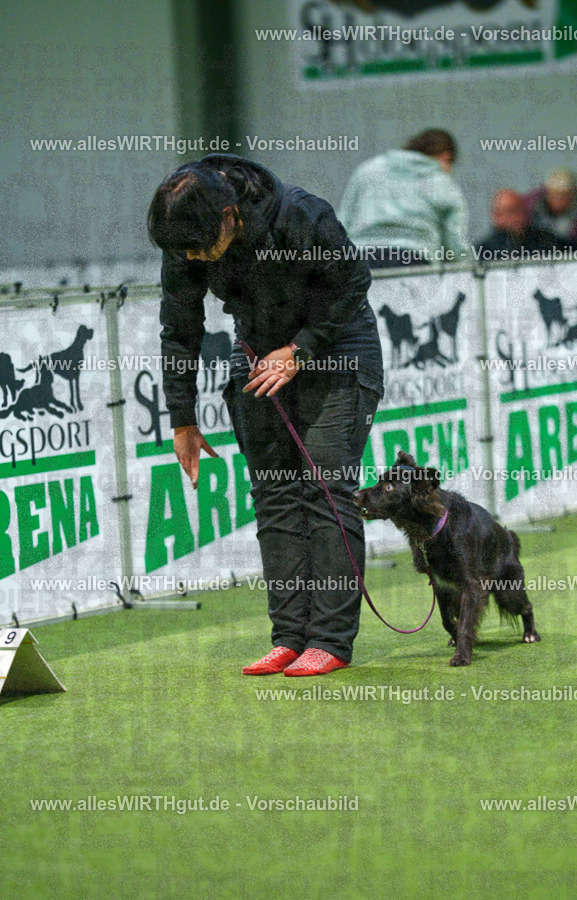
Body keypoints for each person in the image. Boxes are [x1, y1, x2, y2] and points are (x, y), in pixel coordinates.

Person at [147, 154, 384, 677]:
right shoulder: (185, 230)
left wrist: (299, 350)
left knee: (324, 487)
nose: (190, 257)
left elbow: (351, 285)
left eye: (197, 247)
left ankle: (330, 639)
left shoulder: (302, 215)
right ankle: (289, 636)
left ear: (230, 216)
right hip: (256, 347)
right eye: (181, 250)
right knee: (275, 490)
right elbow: (179, 328)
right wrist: (182, 419)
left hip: (337, 341)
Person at [339, 128, 468, 267]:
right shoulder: (444, 183)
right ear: (445, 157)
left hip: (360, 257)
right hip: (413, 260)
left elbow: (342, 222)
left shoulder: (369, 169)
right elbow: (454, 245)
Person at [524, 168, 577, 250]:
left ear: (573, 194)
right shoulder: (529, 206)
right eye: (554, 194)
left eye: (563, 195)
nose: (558, 200)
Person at [475, 188, 560, 261]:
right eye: (512, 211)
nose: (519, 217)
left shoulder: (545, 240)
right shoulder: (484, 250)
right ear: (497, 216)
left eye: (522, 210)